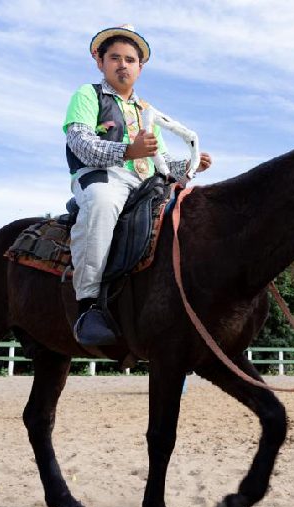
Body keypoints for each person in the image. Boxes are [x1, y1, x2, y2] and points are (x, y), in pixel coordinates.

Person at [63, 24, 212, 346]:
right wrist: (127, 151)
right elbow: (80, 141)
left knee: (189, 213)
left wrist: (190, 165)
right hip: (101, 176)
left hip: (145, 181)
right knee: (102, 205)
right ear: (99, 61)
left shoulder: (146, 111)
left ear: (140, 68)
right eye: (114, 57)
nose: (122, 64)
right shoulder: (88, 95)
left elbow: (159, 160)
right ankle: (87, 304)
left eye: (130, 59)